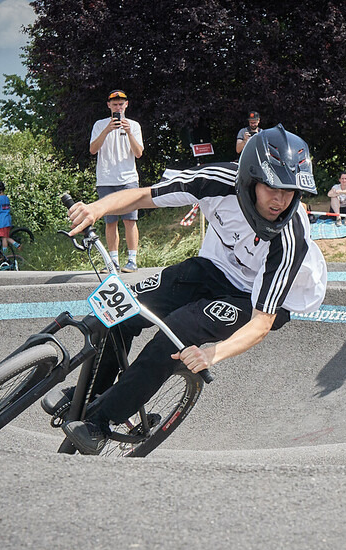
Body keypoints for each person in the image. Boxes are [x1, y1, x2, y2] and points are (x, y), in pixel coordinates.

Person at [58, 124, 326, 453]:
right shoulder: (214, 181)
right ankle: (89, 397)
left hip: (262, 298)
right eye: (272, 188)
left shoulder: (289, 238)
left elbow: (261, 323)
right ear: (251, 178)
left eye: (289, 191)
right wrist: (97, 208)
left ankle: (100, 422)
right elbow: (145, 195)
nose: (281, 201)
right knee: (122, 308)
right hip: (217, 266)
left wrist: (213, 353)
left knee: (177, 331)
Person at [90, 89, 145, 273]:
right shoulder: (99, 125)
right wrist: (107, 130)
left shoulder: (134, 126)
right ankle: (113, 262)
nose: (118, 107)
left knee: (130, 221)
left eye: (121, 104)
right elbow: (92, 149)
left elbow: (138, 153)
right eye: (115, 105)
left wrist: (129, 133)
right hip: (106, 179)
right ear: (109, 106)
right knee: (110, 222)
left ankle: (132, 261)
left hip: (128, 179)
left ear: (126, 105)